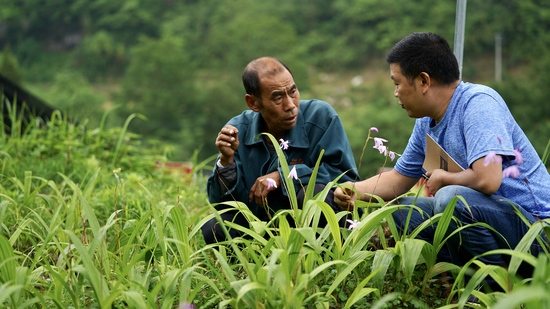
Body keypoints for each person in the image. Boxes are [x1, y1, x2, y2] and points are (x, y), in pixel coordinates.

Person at [334, 32, 550, 275]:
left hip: (537, 229)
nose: (395, 93)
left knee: (451, 199)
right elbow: (398, 179)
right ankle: (460, 278)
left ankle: (493, 290)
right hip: (493, 224)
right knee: (402, 212)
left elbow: (488, 180)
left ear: (424, 81)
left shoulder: (479, 104)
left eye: (397, 84)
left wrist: (446, 178)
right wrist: (355, 190)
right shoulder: (426, 122)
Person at [203, 56, 360, 244]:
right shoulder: (237, 131)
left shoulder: (321, 117)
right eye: (277, 98)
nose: (291, 105)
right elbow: (222, 205)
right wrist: (226, 162)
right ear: (253, 103)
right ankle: (247, 270)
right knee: (215, 225)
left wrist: (284, 175)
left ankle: (327, 261)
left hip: (310, 230)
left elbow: (345, 180)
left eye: (293, 92)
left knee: (315, 195)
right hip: (262, 230)